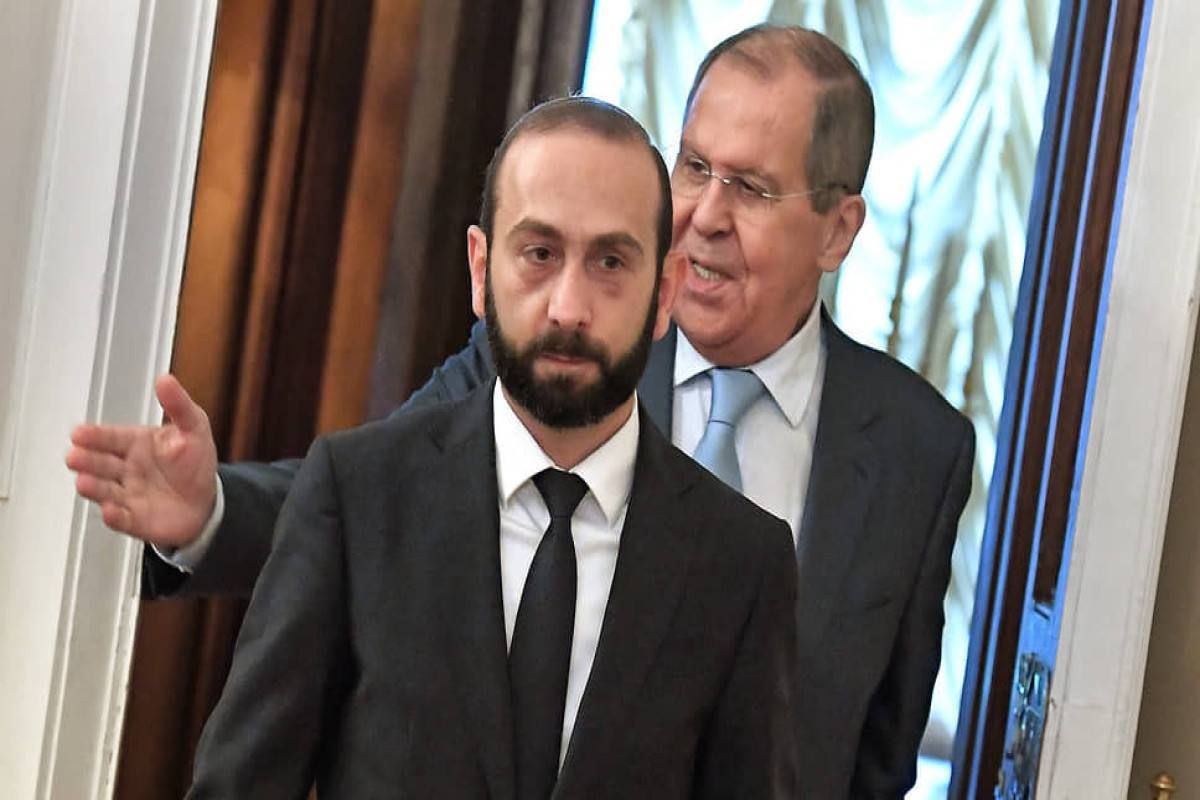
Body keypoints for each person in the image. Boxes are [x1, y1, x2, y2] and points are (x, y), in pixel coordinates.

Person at [69, 24, 973, 798]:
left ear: (839, 229)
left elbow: (878, 761)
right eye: (695, 166)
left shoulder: (919, 453)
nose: (704, 213)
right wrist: (213, 513)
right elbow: (369, 505)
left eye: (751, 187)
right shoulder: (552, 355)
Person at [184, 97, 798, 798]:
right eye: (540, 254)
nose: (569, 308)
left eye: (610, 261)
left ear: (664, 293)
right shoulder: (359, 496)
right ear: (480, 269)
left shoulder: (741, 563)